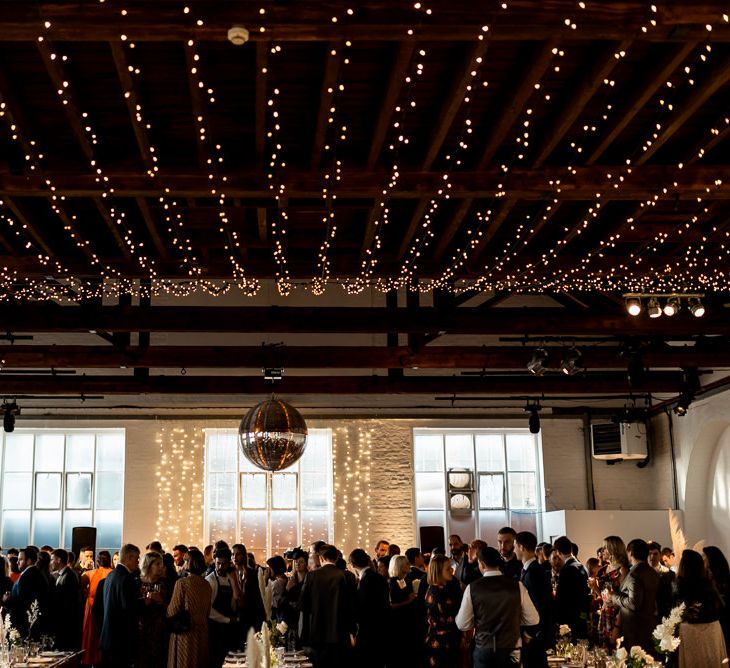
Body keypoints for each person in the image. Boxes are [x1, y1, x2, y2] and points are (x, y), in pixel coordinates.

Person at [456, 546, 539, 668]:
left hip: (484, 649)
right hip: (512, 649)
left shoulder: (472, 588)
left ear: (482, 564)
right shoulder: (517, 586)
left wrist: (479, 620)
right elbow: (534, 619)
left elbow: (462, 624)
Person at [298, 543, 355, 668]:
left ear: (321, 558)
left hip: (317, 633)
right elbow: (351, 607)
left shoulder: (312, 576)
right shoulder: (345, 576)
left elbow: (303, 605)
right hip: (340, 634)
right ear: (336, 558)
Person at [673, 549, 727, 668]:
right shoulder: (708, 586)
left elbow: (677, 614)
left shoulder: (680, 586)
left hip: (690, 634)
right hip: (712, 633)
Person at [609, 538, 659, 655]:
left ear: (630, 553)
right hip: (649, 625)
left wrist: (614, 597)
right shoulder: (653, 572)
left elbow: (633, 603)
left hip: (635, 629)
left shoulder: (634, 574)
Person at [167, 549, 212, 668]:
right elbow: (208, 611)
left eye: (185, 561)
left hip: (185, 633)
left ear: (190, 563)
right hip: (202, 632)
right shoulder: (207, 585)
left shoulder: (182, 583)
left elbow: (172, 611)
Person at [100, 543, 142, 668]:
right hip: (120, 640)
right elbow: (129, 609)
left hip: (108, 637)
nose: (138, 562)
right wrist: (144, 603)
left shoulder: (110, 576)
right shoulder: (126, 578)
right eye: (137, 558)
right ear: (129, 557)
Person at [515, 531, 550, 668]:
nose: (514, 550)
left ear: (521, 547)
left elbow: (540, 604)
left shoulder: (533, 572)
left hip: (535, 634)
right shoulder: (530, 569)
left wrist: (530, 633)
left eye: (515, 546)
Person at [349, 548, 389, 668]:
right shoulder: (380, 578)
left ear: (353, 564)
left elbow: (362, 607)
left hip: (368, 632)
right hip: (382, 629)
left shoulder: (365, 581)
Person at [206, 547, 243, 668]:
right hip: (215, 629)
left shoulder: (232, 577)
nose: (221, 567)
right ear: (214, 562)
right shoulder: (210, 580)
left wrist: (234, 581)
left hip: (230, 629)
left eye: (224, 564)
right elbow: (208, 610)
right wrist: (227, 619)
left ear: (229, 563)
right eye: (218, 564)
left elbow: (238, 601)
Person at [424, 553, 463, 667]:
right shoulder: (438, 593)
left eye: (451, 567)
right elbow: (453, 617)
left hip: (444, 639)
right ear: (438, 572)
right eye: (447, 569)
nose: (451, 570)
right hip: (441, 643)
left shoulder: (443, 587)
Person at [2, 546, 49, 639]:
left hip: (24, 622)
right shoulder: (33, 573)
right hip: (28, 620)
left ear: (29, 561)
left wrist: (7, 600)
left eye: (20, 559)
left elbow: (22, 600)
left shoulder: (28, 575)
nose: (17, 562)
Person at [595, 536, 629, 650]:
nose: (602, 551)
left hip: (617, 614)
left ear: (613, 549)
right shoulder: (603, 570)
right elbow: (604, 596)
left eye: (605, 548)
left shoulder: (622, 570)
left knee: (616, 650)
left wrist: (617, 626)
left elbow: (623, 599)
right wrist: (595, 588)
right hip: (605, 613)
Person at [553, 536, 589, 639]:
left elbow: (561, 597)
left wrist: (558, 619)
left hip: (570, 616)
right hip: (582, 614)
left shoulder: (566, 569)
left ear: (558, 552)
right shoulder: (583, 567)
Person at [138, 552, 171, 668]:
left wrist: (161, 601)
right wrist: (145, 601)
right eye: (157, 564)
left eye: (161, 564)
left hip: (160, 631)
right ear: (149, 565)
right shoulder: (138, 582)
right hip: (141, 629)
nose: (161, 567)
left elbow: (173, 608)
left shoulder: (164, 583)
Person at [81, 550, 113, 667]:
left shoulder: (89, 574)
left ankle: (90, 658)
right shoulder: (113, 573)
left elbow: (80, 587)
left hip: (92, 607)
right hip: (108, 607)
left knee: (91, 636)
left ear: (98, 561)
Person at [50, 548, 83, 650]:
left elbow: (68, 602)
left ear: (58, 560)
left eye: (52, 559)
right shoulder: (61, 574)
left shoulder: (69, 576)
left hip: (67, 623)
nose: (51, 563)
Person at [231, 543, 265, 639]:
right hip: (236, 613)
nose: (235, 557)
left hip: (250, 614)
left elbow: (256, 596)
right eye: (233, 554)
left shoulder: (251, 572)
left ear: (243, 555)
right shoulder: (230, 572)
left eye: (237, 554)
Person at [703, 545, 730, 650]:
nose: (703, 560)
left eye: (705, 557)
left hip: (723, 621)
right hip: (713, 622)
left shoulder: (722, 580)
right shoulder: (706, 578)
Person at [267, 555, 288, 621]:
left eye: (270, 568)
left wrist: (265, 578)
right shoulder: (284, 579)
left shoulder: (277, 583)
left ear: (275, 568)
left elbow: (266, 596)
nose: (269, 570)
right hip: (279, 612)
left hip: (276, 613)